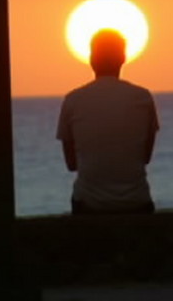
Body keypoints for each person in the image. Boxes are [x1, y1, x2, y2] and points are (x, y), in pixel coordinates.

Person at [56, 28, 159, 214]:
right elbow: (145, 157)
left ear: (91, 59)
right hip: (137, 202)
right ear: (123, 58)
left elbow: (71, 164)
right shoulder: (143, 98)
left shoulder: (73, 100)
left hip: (89, 204)